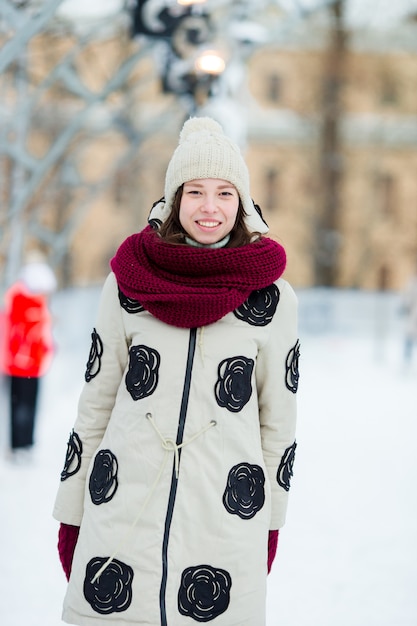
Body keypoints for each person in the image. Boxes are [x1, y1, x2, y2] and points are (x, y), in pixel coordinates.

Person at [53, 117, 300, 626]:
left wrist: (270, 521)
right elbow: (95, 404)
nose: (210, 208)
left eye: (225, 193)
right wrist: (72, 512)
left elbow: (279, 424)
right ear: (173, 199)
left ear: (243, 203)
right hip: (122, 509)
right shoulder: (127, 285)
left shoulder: (273, 299)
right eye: (195, 192)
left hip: (225, 517)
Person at [0, 252, 56, 462]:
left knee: (29, 405)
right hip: (20, 366)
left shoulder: (33, 302)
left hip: (34, 365)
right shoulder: (20, 300)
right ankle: (18, 447)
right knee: (20, 407)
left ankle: (26, 445)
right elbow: (22, 333)